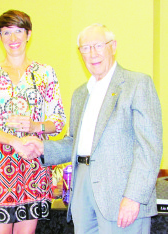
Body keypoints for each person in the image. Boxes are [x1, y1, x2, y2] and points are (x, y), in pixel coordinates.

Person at [25, 23, 163, 233]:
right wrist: (43, 148)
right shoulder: (80, 93)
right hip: (82, 190)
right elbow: (74, 142)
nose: (92, 53)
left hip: (121, 194)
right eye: (85, 48)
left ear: (113, 46)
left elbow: (149, 148)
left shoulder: (137, 84)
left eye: (98, 45)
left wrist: (134, 197)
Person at [0, 9, 66, 234]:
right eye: (6, 33)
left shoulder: (45, 73)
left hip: (33, 164)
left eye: (18, 31)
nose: (13, 39)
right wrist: (14, 141)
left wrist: (36, 127)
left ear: (29, 34)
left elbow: (59, 121)